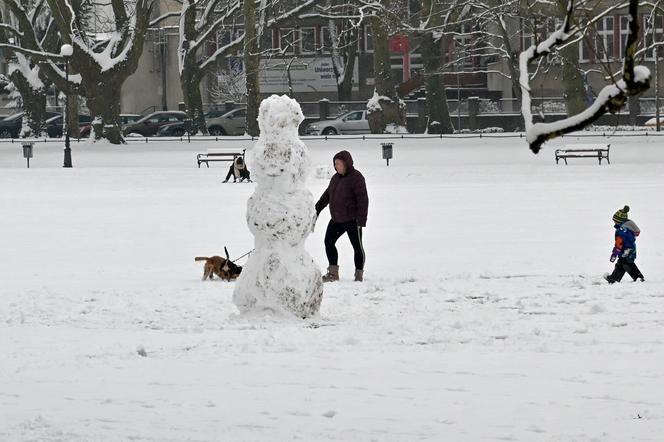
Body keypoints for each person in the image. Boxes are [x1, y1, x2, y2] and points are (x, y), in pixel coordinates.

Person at [315, 150, 368, 282]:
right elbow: (326, 196)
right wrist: (316, 210)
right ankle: (333, 273)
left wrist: (361, 220)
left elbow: (363, 200)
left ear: (346, 163)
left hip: (352, 220)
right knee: (329, 242)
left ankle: (358, 275)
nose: (336, 166)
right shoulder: (335, 178)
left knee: (357, 246)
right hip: (337, 219)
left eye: (338, 163)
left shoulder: (357, 178)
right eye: (335, 164)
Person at [604, 205, 645, 284]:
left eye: (615, 221)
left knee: (627, 264)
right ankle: (614, 279)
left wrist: (614, 254)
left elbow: (618, 244)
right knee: (621, 264)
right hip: (629, 250)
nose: (614, 222)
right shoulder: (627, 229)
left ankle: (639, 277)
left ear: (619, 221)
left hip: (626, 251)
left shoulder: (621, 231)